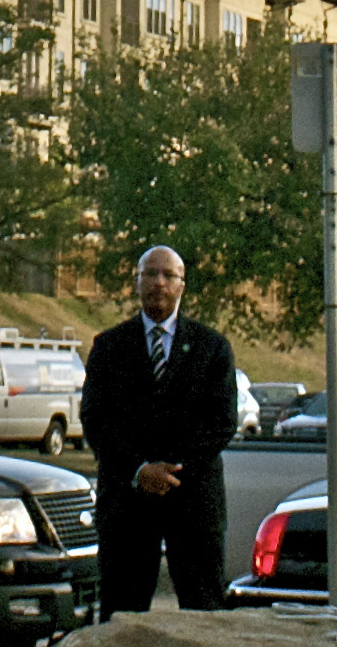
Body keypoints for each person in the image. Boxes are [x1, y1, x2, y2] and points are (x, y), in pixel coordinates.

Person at [79, 246, 239, 618]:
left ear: (183, 285)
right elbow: (96, 420)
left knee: (204, 614)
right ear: (137, 282)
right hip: (127, 503)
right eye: (150, 274)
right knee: (122, 616)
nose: (159, 283)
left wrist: (169, 470)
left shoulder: (211, 348)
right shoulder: (109, 347)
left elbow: (221, 422)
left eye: (169, 275)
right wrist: (139, 470)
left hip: (194, 500)